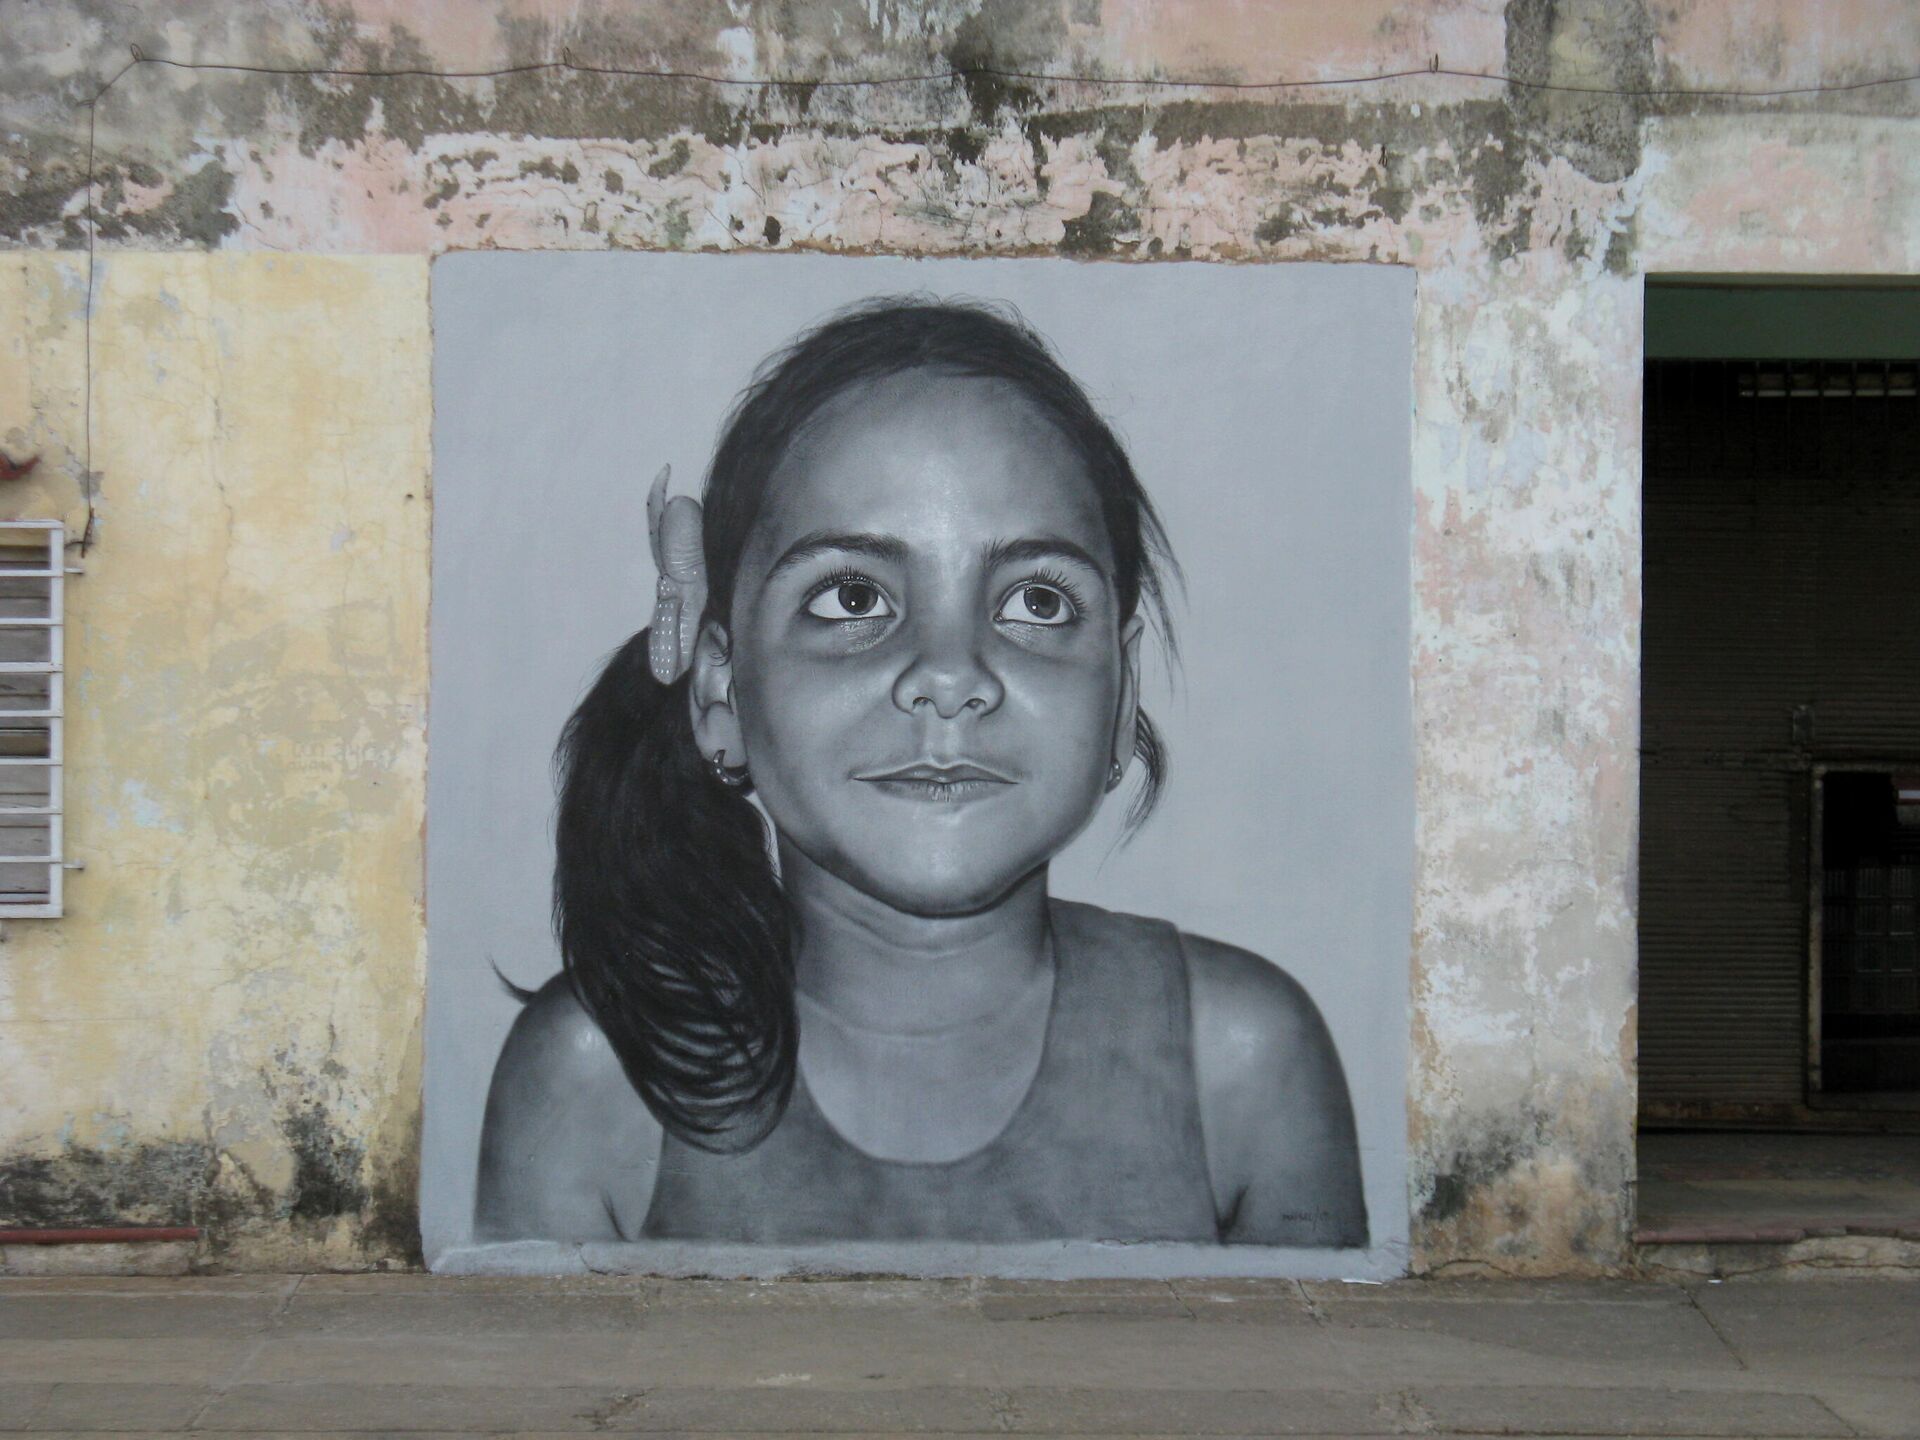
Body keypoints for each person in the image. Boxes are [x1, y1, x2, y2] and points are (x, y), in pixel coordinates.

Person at [474, 297, 1367, 1247]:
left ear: (1120, 695)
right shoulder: (598, 1080)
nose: (951, 675)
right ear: (722, 693)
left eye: (1035, 601)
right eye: (853, 596)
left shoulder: (1240, 1063)